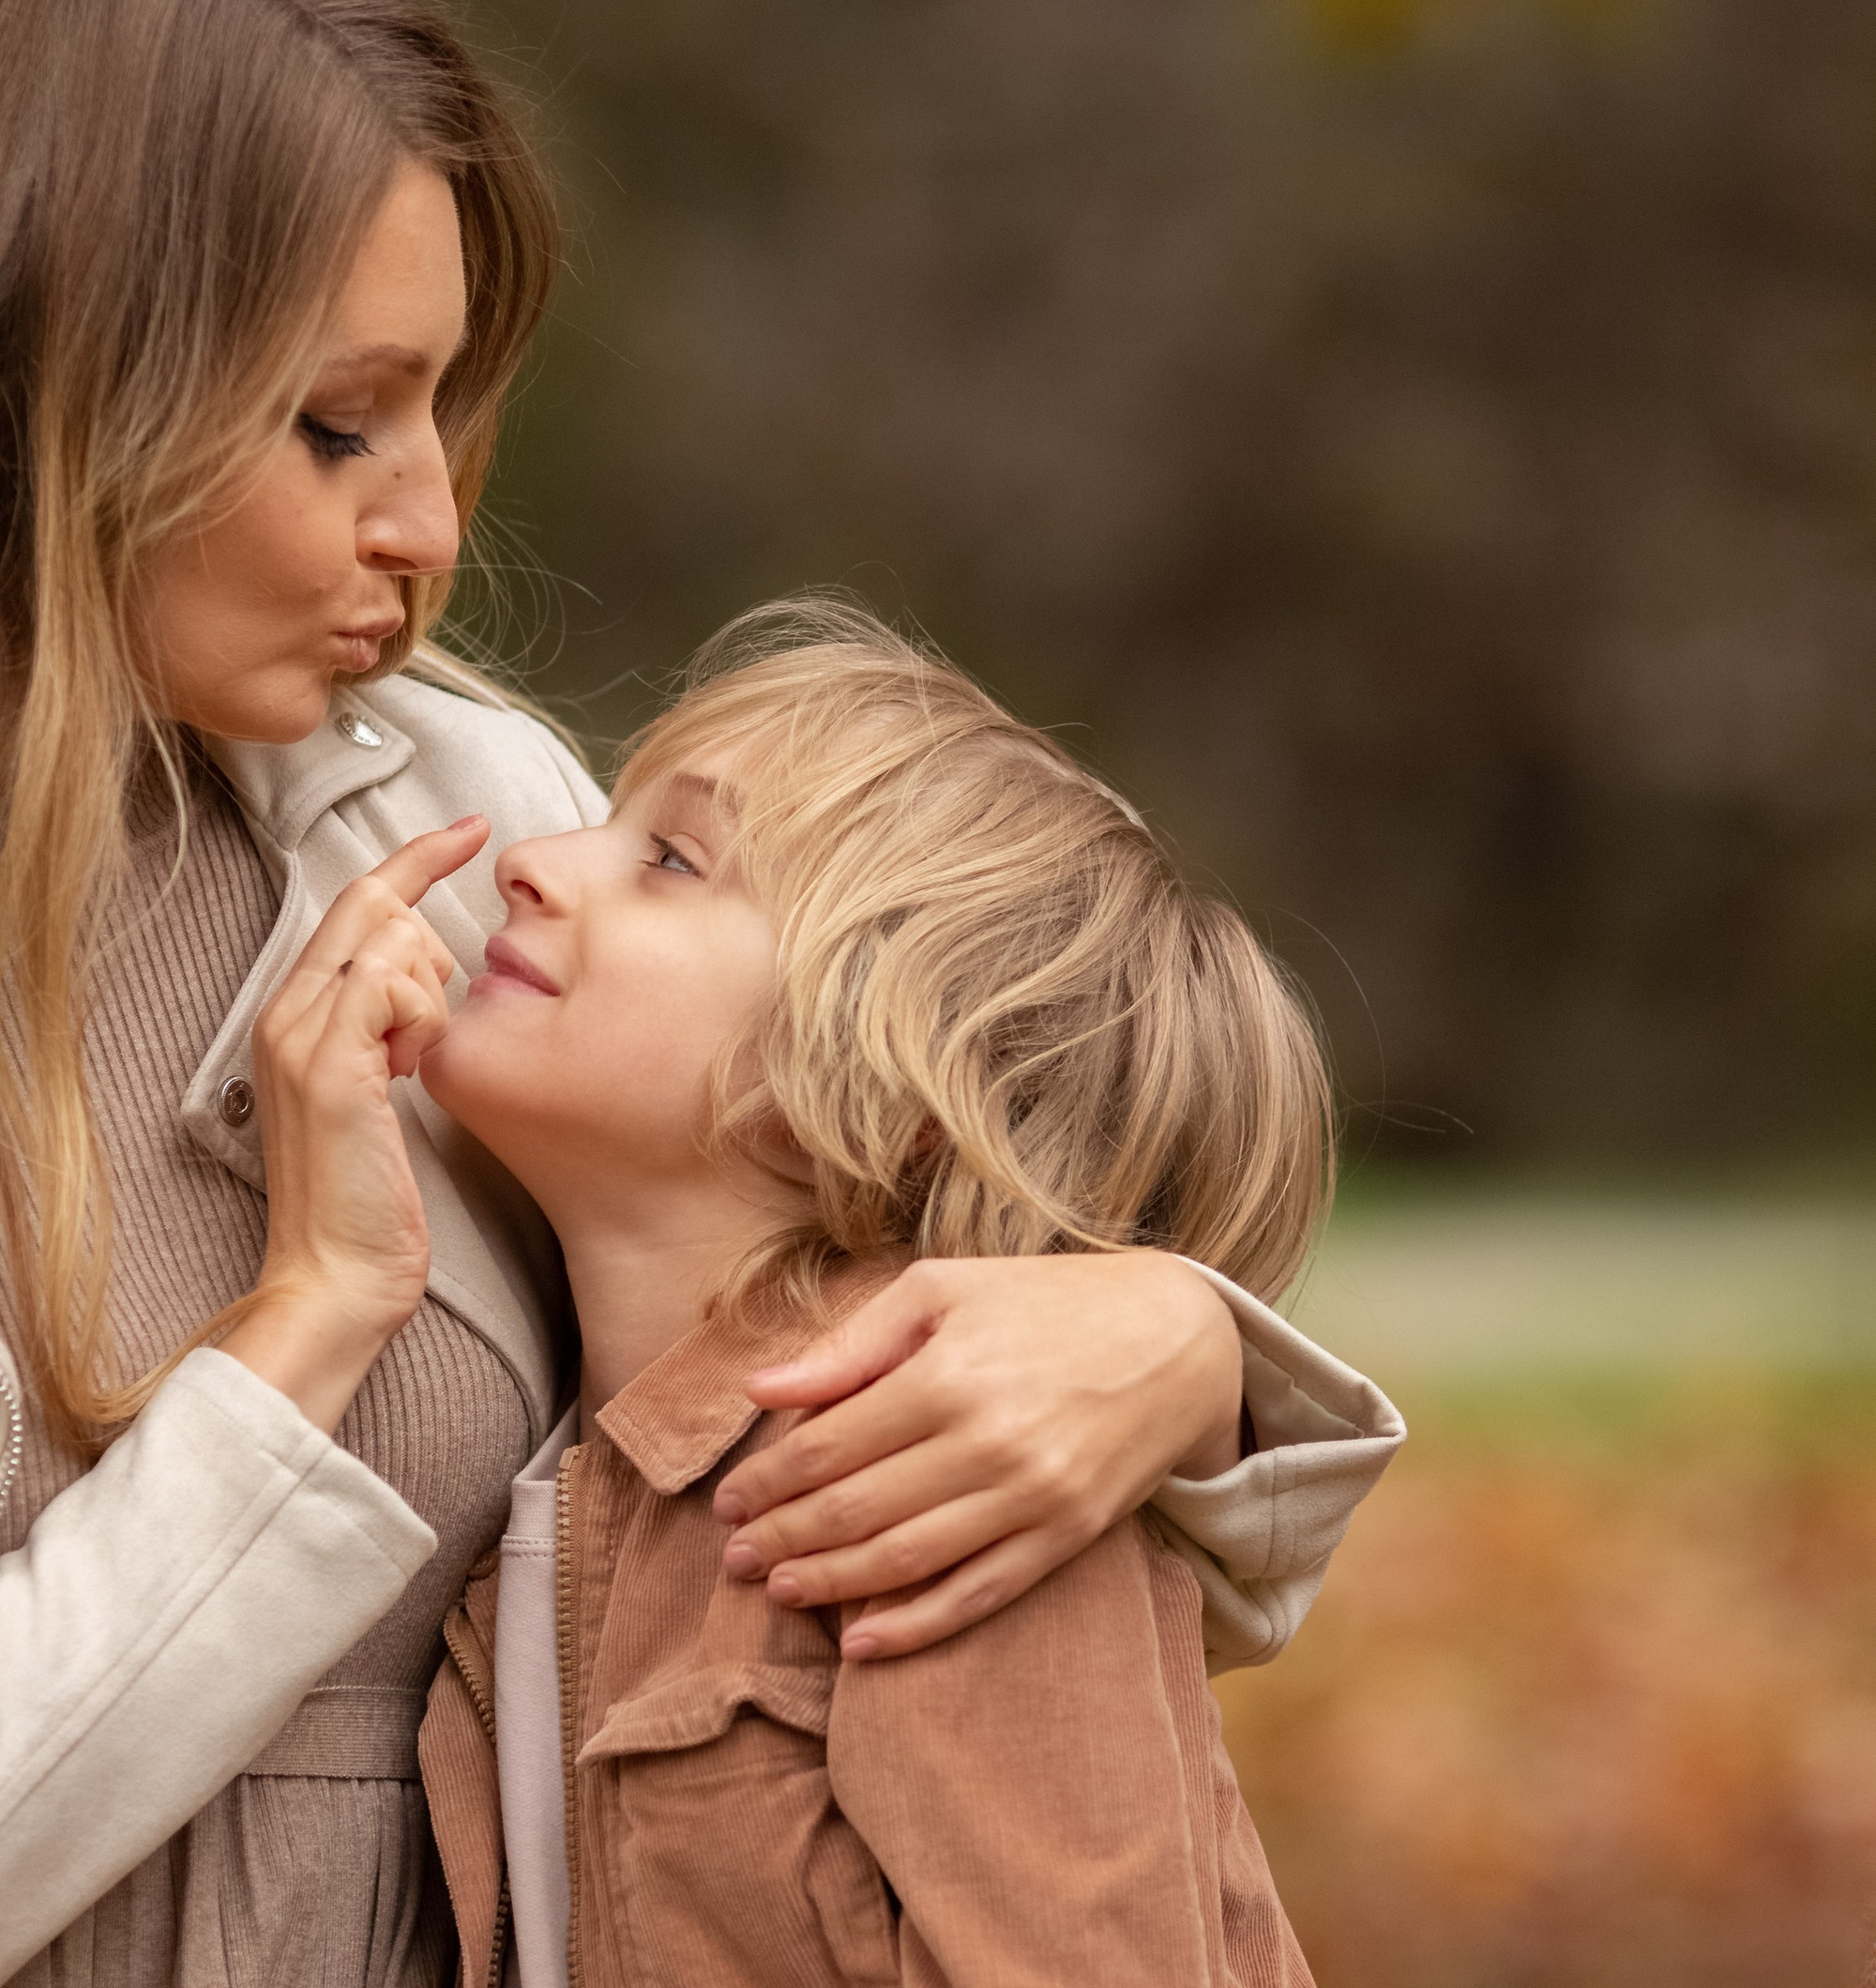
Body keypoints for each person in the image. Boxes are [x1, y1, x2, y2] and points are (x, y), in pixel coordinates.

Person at [0, 0, 1399, 1988]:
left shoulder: (477, 832)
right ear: (33, 388)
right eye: (333, 423)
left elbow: (826, 1436)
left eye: (438, 406)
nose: (426, 522)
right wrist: (301, 1326)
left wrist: (1172, 1337)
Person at [409, 602, 1338, 1986]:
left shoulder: (951, 1488)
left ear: (884, 1086)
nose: (535, 863)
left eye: (670, 860)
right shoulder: (562, 1480)